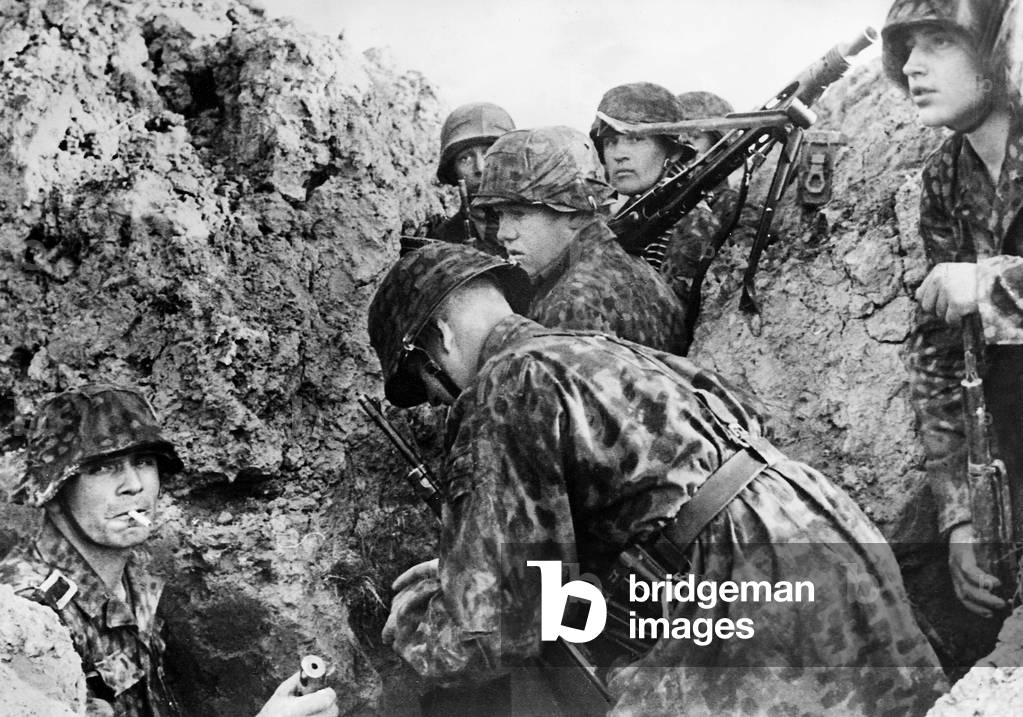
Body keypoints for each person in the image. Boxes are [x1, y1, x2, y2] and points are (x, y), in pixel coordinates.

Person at [366, 242, 947, 716]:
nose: (441, 400)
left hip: (743, 577)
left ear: (439, 338)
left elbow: (494, 629)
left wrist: (424, 619)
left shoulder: (503, 385)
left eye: (426, 383)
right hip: (819, 529)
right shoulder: (598, 349)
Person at [0, 385, 338, 717]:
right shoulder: (28, 614)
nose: (134, 485)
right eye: (103, 467)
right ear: (55, 488)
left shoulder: (136, 575)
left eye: (144, 461)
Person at [882, 0, 1021, 623]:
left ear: (994, 50)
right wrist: (962, 514)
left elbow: (973, 296)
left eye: (938, 42)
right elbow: (938, 352)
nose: (912, 65)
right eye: (907, 47)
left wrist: (990, 287)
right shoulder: (945, 179)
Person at [473, 124, 689, 355]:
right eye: (500, 215)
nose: (503, 233)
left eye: (518, 214)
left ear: (575, 213)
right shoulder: (622, 262)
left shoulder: (572, 304)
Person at [589, 82, 723, 336]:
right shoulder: (630, 211)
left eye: (636, 140)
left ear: (671, 152)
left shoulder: (691, 221)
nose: (619, 155)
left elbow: (671, 327)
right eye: (611, 142)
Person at [410, 102, 515, 250]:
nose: (480, 168)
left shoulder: (540, 230)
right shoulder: (440, 240)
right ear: (453, 171)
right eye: (465, 159)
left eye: (489, 154)